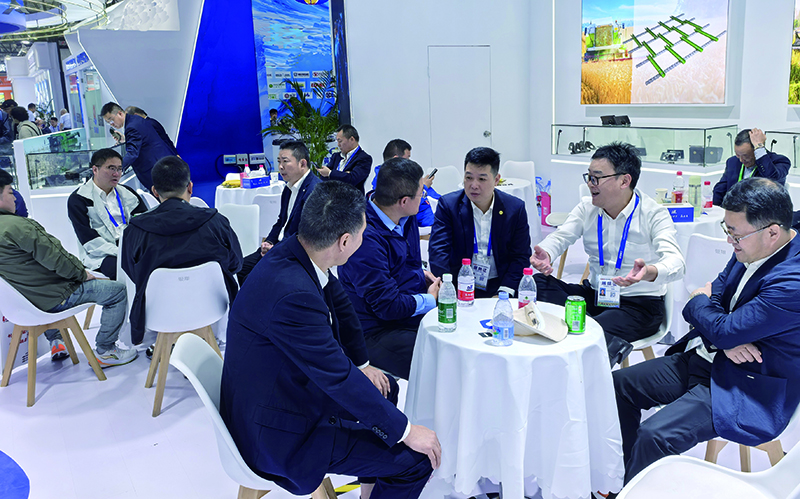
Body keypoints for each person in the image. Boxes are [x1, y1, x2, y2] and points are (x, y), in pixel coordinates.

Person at [220, 180, 440, 498]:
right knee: (416, 461)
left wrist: (363, 365)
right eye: (363, 234)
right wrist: (406, 431)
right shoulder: (293, 294)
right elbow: (336, 377)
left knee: (385, 388)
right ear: (345, 241)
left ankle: (370, 489)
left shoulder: (296, 252)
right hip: (280, 432)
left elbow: (342, 307)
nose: (364, 239)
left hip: (278, 395)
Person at [611, 178, 800, 491]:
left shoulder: (792, 281)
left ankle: (636, 491)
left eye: (735, 234)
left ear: (772, 232)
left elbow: (707, 304)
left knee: (654, 436)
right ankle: (628, 483)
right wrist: (723, 335)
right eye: (728, 230)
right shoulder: (749, 247)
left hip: (747, 384)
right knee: (619, 386)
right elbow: (718, 302)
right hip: (708, 358)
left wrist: (705, 307)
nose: (729, 241)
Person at [530, 142, 685, 366]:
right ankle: (592, 339)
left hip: (638, 305)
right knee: (537, 285)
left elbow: (677, 263)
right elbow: (562, 236)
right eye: (589, 177)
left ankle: (589, 354)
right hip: (595, 295)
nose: (590, 184)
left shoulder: (653, 214)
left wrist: (650, 271)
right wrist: (546, 252)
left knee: (590, 328)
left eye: (597, 178)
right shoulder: (587, 208)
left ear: (624, 181)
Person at [0, 168, 137, 367]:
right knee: (117, 292)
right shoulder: (20, 226)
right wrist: (82, 274)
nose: (15, 198)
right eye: (11, 192)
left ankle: (56, 339)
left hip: (21, 303)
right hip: (53, 297)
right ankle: (106, 349)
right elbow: (58, 259)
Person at [121, 156, 242, 347]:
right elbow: (235, 264)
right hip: (210, 308)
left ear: (154, 191)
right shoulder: (215, 222)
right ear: (190, 187)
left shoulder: (135, 230)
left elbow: (132, 272)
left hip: (159, 312)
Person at [338, 158, 441, 379]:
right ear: (404, 201)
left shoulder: (404, 215)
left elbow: (409, 263)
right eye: (421, 193)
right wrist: (430, 299)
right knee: (438, 360)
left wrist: (419, 275)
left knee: (454, 333)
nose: (423, 197)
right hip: (374, 329)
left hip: (403, 309)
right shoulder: (363, 237)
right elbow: (387, 305)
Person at [429, 146, 532, 298]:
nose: (474, 185)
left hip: (500, 284)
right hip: (459, 285)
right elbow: (438, 252)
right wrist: (449, 289)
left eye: (482, 179)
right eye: (468, 177)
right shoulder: (449, 206)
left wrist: (504, 292)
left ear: (496, 180)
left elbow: (521, 256)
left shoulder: (514, 208)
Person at [237, 140, 320, 285]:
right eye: (279, 161)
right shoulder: (288, 188)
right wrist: (268, 242)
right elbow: (281, 221)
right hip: (278, 246)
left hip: (294, 253)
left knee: (250, 279)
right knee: (238, 269)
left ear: (302, 163)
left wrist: (276, 249)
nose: (280, 167)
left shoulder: (314, 191)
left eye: (285, 161)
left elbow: (306, 235)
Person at [68, 148, 147, 279]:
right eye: (111, 168)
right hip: (102, 253)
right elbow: (89, 240)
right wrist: (122, 252)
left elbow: (144, 222)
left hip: (131, 245)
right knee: (125, 269)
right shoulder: (79, 199)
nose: (116, 174)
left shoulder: (128, 193)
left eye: (119, 169)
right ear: (95, 170)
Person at [101, 102, 178, 190]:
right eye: (108, 123)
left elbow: (132, 153)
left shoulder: (131, 127)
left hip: (157, 170)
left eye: (111, 120)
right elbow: (142, 141)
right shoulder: (136, 120)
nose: (111, 124)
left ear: (120, 113)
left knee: (168, 195)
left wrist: (115, 169)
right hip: (163, 164)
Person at [713, 128, 790, 206]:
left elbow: (771, 178)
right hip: (734, 210)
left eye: (746, 156)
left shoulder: (780, 161)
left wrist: (759, 148)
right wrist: (715, 209)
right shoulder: (732, 161)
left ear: (756, 150)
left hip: (762, 211)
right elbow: (720, 190)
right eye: (738, 155)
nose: (741, 160)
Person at [371, 139, 439, 227]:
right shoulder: (386, 183)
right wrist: (424, 187)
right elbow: (409, 204)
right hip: (427, 223)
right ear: (396, 159)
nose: (409, 162)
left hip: (435, 214)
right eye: (407, 158)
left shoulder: (407, 176)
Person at [318, 124, 372, 192]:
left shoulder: (364, 158)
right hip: (332, 196)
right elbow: (323, 177)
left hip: (352, 197)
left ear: (352, 139)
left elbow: (352, 180)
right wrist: (345, 175)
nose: (338, 145)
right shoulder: (336, 156)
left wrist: (330, 173)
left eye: (340, 141)